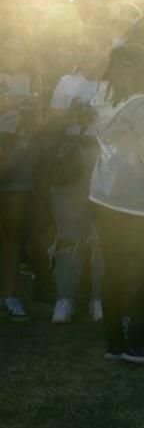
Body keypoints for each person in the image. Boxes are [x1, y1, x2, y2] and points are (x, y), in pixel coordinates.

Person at [90, 45, 144, 364]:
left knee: (114, 270)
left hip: (104, 194)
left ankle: (115, 340)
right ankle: (137, 343)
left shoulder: (103, 98)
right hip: (137, 200)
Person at [47, 29, 111, 323]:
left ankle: (99, 299)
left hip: (104, 159)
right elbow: (50, 123)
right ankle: (64, 298)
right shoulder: (66, 82)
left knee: (101, 233)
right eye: (85, 49)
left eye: (97, 49)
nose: (90, 55)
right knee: (68, 230)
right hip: (71, 157)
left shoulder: (113, 86)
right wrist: (70, 116)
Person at [0, 34, 39, 321]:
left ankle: (9, 295)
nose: (13, 51)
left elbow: (38, 123)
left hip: (19, 154)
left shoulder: (32, 80)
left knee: (13, 230)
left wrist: (31, 116)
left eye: (19, 46)